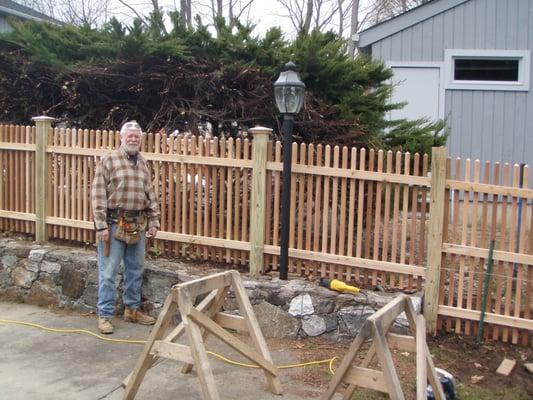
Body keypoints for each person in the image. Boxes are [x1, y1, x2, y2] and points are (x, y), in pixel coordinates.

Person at [91, 120, 160, 334]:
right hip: (112, 224)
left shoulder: (144, 163)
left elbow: (150, 193)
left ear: (141, 140)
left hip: (138, 224)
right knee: (109, 272)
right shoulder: (109, 160)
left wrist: (154, 220)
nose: (133, 139)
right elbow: (98, 193)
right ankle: (104, 316)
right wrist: (100, 225)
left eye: (136, 136)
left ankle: (132, 310)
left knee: (135, 269)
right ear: (121, 137)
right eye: (129, 136)